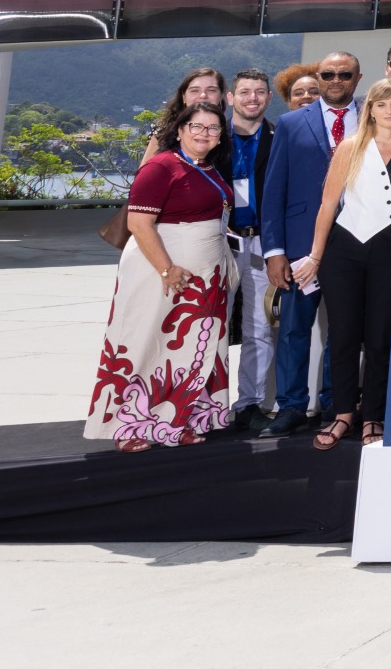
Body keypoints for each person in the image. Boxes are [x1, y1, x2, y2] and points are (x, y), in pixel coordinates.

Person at [87, 90, 234, 451]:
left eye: (214, 128)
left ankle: (178, 421)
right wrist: (167, 270)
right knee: (144, 341)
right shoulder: (161, 166)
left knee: (193, 352)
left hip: (205, 278)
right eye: (196, 126)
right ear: (180, 129)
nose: (205, 134)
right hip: (163, 271)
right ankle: (129, 428)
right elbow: (139, 224)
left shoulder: (209, 168)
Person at [292, 78, 391, 449]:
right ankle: (342, 415)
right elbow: (327, 204)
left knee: (381, 338)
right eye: (382, 104)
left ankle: (373, 416)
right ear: (369, 108)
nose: (390, 110)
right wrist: (316, 256)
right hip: (343, 251)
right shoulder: (350, 147)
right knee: (342, 336)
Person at [258, 59, 355, 435]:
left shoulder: (370, 117)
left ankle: (336, 402)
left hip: (353, 243)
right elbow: (274, 188)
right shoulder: (290, 123)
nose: (334, 81)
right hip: (299, 243)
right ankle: (292, 406)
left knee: (344, 329)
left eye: (344, 75)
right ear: (319, 79)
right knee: (294, 328)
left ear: (355, 79)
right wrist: (274, 250)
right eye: (327, 75)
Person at [220, 68, 280, 432]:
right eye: (244, 92)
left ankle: (250, 403)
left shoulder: (279, 137)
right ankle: (204, 403)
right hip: (219, 240)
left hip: (262, 240)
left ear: (269, 98)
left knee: (259, 327)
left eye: (260, 92)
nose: (252, 98)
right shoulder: (212, 135)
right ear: (231, 98)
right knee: (211, 326)